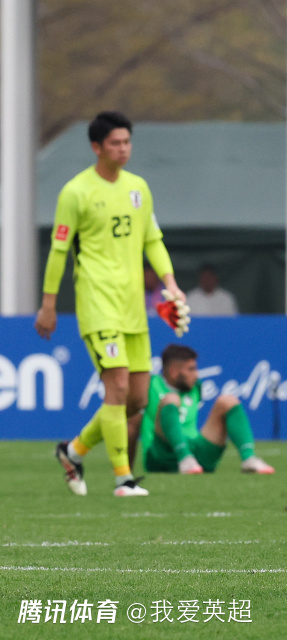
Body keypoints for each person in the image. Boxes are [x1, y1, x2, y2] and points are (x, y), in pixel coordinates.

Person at [38, 111, 188, 498]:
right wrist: (48, 304)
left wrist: (171, 284)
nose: (123, 149)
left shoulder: (138, 187)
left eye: (127, 142)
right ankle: (124, 479)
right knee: (117, 388)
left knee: (136, 400)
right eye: (115, 143)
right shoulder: (76, 192)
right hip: (97, 302)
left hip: (133, 307)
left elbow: (152, 240)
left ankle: (73, 451)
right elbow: (58, 250)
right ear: (96, 147)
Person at [140, 344, 274, 475]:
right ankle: (184, 457)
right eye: (191, 369)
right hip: (160, 454)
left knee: (228, 401)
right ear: (173, 371)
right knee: (171, 399)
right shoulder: (149, 384)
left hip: (195, 452)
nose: (196, 374)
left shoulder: (196, 387)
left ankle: (249, 459)